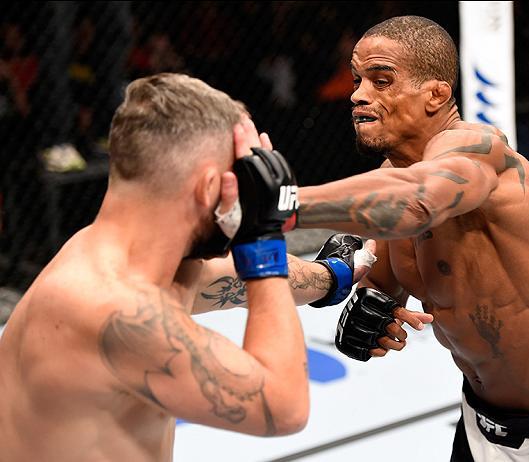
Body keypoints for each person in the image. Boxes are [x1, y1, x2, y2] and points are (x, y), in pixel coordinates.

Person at [292, 16, 529, 460]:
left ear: (436, 94)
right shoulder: (389, 183)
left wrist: (284, 204)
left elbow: (420, 200)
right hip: (480, 426)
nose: (358, 94)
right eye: (359, 80)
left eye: (381, 81)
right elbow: (380, 282)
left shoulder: (480, 151)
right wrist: (371, 309)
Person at [0, 73, 379, 461]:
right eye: (241, 180)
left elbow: (223, 277)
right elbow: (284, 406)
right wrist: (260, 234)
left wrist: (336, 274)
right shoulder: (109, 305)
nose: (244, 197)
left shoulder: (118, 257)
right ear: (207, 187)